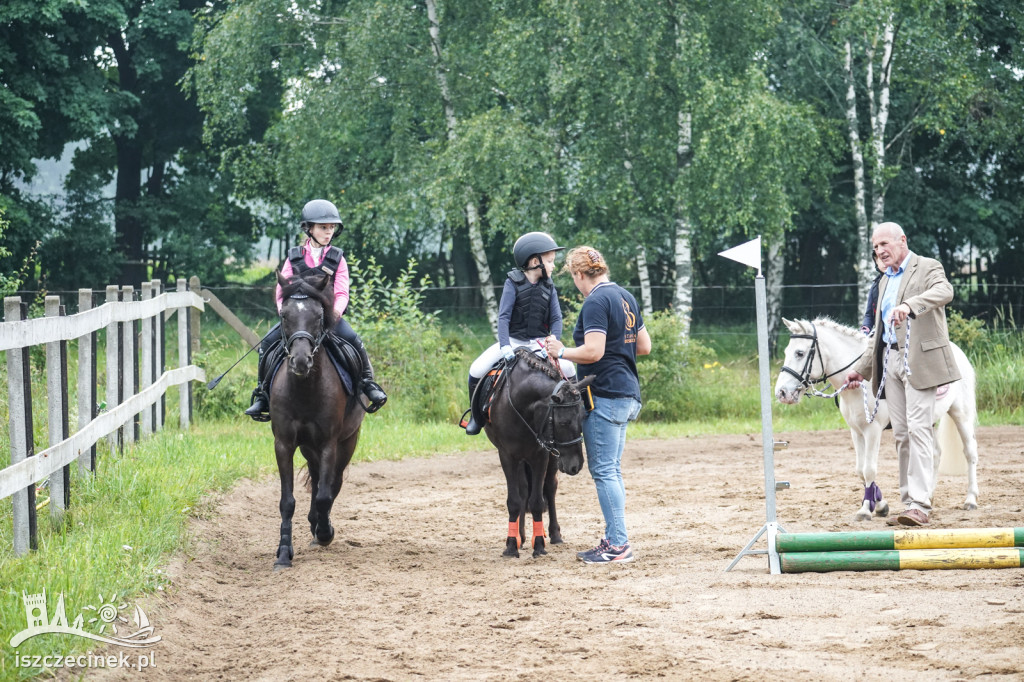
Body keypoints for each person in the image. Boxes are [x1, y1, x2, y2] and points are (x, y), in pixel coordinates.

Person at [845, 221, 960, 527]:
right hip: (890, 360)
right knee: (900, 434)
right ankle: (910, 501)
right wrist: (860, 370)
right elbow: (878, 334)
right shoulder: (883, 281)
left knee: (919, 428)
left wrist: (910, 305)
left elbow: (945, 291)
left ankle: (921, 504)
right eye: (875, 247)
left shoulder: (927, 267)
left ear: (902, 241)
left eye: (884, 244)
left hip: (920, 361)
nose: (879, 251)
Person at [544, 246, 651, 564]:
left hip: (604, 394)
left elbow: (593, 352)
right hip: (628, 393)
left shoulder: (595, 301)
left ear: (579, 275)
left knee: (604, 471)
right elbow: (644, 346)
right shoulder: (625, 296)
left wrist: (562, 351)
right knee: (611, 471)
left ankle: (618, 545)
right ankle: (614, 538)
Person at [244, 199, 387, 420]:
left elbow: (342, 293)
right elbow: (281, 291)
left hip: (328, 319)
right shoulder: (294, 257)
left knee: (354, 340)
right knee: (267, 343)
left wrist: (334, 314)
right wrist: (286, 313)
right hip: (298, 320)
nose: (328, 232)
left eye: (331, 228)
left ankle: (368, 384)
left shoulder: (338, 259)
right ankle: (262, 394)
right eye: (323, 227)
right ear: (309, 228)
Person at [463, 231, 574, 435]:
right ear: (535, 261)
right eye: (550, 261)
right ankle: (476, 417)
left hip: (540, 343)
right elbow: (503, 317)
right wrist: (505, 345)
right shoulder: (512, 283)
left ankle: (580, 412)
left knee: (569, 368)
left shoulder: (549, 286)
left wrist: (553, 342)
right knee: (476, 368)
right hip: (513, 342)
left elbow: (556, 319)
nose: (553, 265)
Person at [860, 251, 884, 334]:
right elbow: (869, 315)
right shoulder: (875, 286)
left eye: (885, 259)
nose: (883, 263)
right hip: (880, 334)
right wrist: (865, 329)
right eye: (880, 260)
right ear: (876, 263)